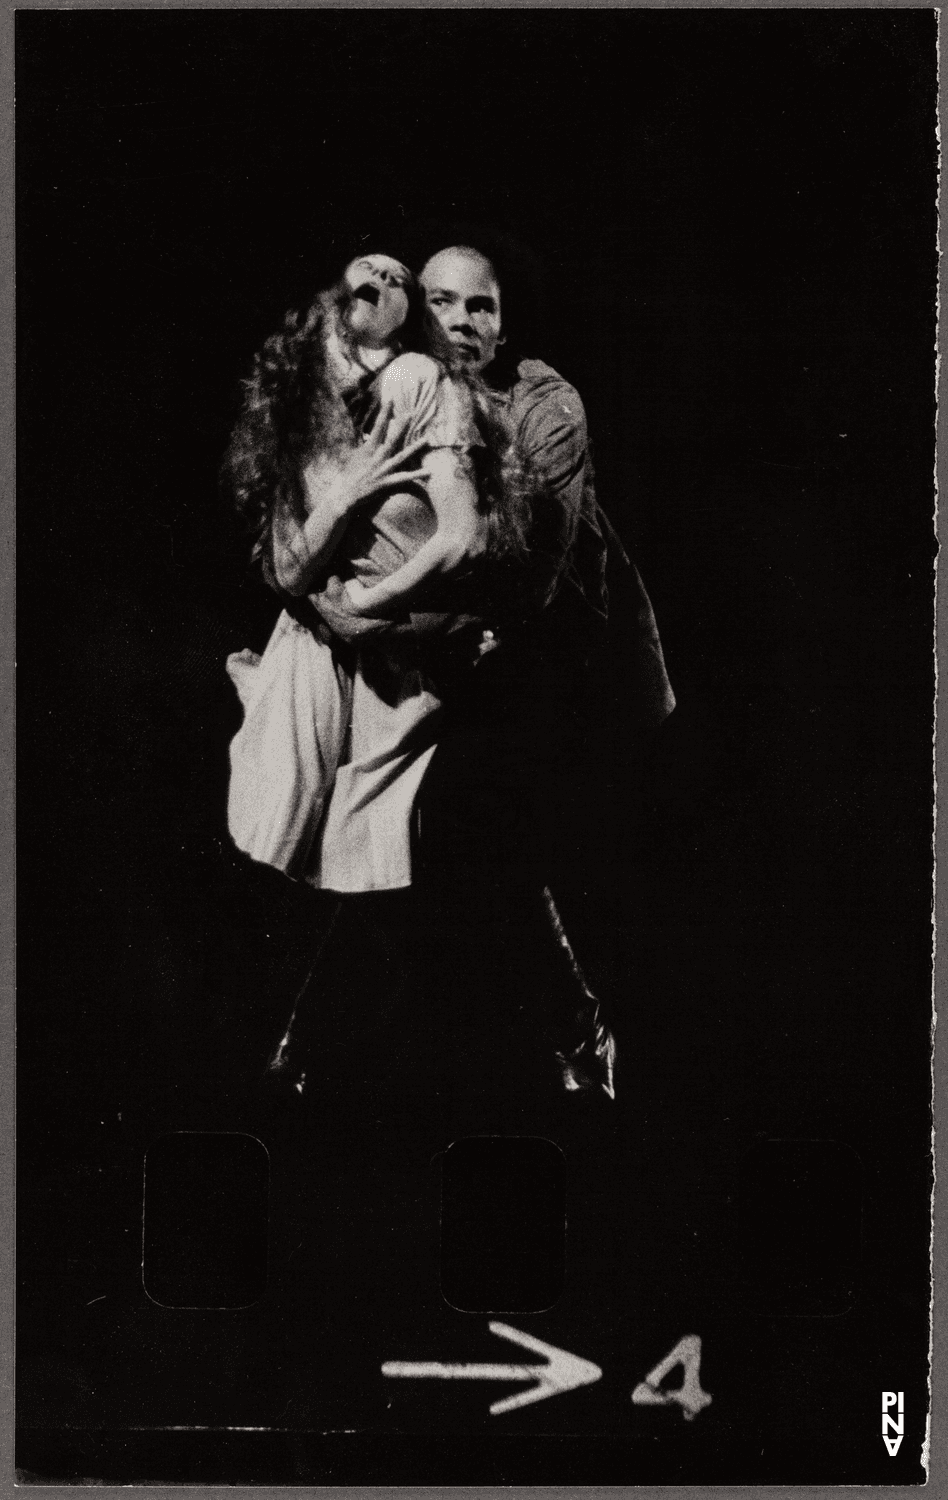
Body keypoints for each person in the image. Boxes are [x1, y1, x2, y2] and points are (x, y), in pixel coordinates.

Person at [307, 243, 675, 1099]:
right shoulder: (394, 403)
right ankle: (576, 1042)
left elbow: (529, 574)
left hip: (568, 660)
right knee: (430, 832)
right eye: (443, 304)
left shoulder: (547, 407)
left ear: (503, 322)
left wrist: (394, 618)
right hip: (453, 655)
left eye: (483, 307)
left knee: (446, 823)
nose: (464, 323)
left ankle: (311, 1054)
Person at [223, 253, 532, 896]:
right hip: (316, 641)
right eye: (372, 269)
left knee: (360, 856)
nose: (386, 280)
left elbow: (463, 542)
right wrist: (343, 495)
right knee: (271, 831)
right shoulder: (299, 403)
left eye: (400, 280)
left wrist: (366, 603)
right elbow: (287, 573)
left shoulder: (419, 379)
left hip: (402, 655)